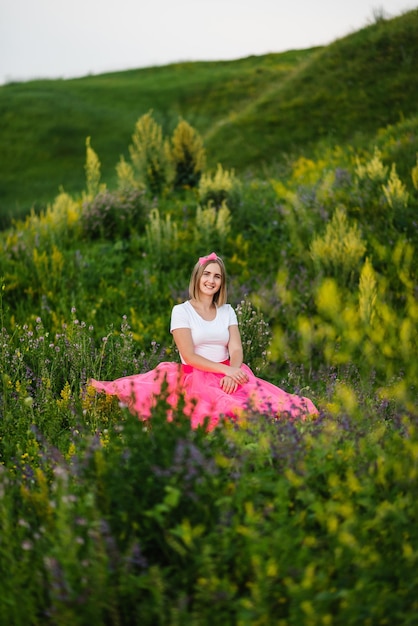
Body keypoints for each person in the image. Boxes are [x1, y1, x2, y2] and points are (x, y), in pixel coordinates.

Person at [89, 252, 318, 431]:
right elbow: (189, 355)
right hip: (194, 376)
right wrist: (223, 370)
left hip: (231, 373)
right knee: (209, 416)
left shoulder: (227, 311)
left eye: (217, 276)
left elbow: (236, 347)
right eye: (207, 274)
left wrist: (234, 371)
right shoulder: (181, 311)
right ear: (198, 277)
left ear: (222, 282)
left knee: (272, 408)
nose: (211, 280)